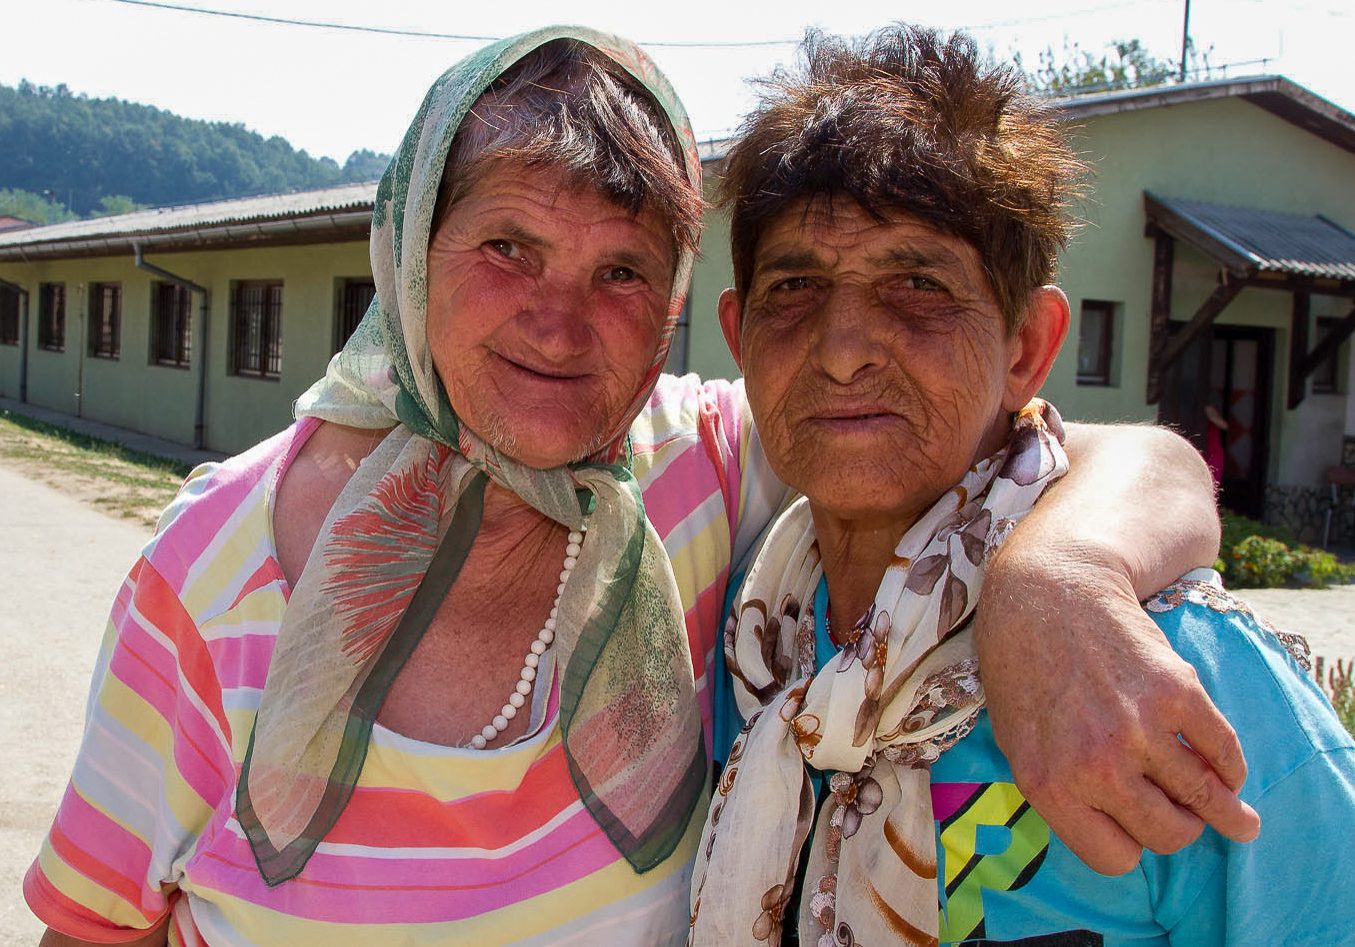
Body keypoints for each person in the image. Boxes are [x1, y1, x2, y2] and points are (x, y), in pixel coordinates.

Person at [29, 25, 1243, 947]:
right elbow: (91, 927)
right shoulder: (217, 567)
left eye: (620, 270)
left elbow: (1075, 447)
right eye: (507, 246)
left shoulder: (693, 466)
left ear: (673, 306)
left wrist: (1059, 575)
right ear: (409, 252)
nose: (558, 321)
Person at [691, 24, 1355, 946]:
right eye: (794, 285)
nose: (841, 350)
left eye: (917, 283)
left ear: (1025, 348)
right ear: (740, 339)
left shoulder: (1164, 674)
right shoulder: (744, 647)